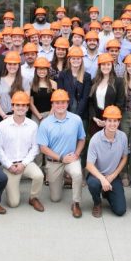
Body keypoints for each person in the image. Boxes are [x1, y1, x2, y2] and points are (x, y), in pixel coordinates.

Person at [38, 89, 87, 218]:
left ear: (68, 103)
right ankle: (64, 179)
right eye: (57, 103)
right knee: (55, 198)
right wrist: (60, 158)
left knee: (77, 174)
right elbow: (43, 148)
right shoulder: (45, 123)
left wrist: (76, 154)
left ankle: (76, 203)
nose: (60, 105)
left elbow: (82, 139)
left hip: (71, 158)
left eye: (63, 102)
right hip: (55, 161)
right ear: (52, 104)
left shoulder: (76, 119)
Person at [0, 91, 45, 211]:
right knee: (13, 203)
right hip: (10, 165)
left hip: (25, 163)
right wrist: (8, 165)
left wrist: (23, 164)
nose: (20, 108)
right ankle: (10, 188)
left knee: (39, 175)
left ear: (28, 107)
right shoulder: (2, 125)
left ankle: (33, 198)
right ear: (12, 107)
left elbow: (35, 148)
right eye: (17, 105)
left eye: (24, 105)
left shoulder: (33, 125)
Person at [86, 106, 129, 218]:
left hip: (112, 176)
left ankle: (107, 193)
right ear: (104, 121)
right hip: (97, 175)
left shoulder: (123, 137)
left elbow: (124, 157)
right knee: (93, 184)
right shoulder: (95, 139)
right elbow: (89, 165)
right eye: (109, 120)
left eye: (115, 121)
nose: (112, 124)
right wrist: (102, 179)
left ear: (119, 122)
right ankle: (97, 203)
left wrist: (113, 175)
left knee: (120, 211)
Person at [88, 53, 125, 137]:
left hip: (112, 120)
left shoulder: (118, 82)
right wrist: (94, 118)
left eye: (108, 64)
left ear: (112, 66)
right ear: (99, 66)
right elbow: (90, 102)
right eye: (103, 64)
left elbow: (120, 103)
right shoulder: (94, 81)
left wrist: (109, 120)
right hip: (97, 121)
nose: (106, 67)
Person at [57, 46, 91, 121]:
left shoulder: (87, 76)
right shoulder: (63, 75)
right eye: (73, 58)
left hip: (81, 114)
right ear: (69, 60)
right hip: (65, 113)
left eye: (78, 59)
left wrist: (77, 115)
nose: (76, 61)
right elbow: (61, 94)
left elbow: (84, 98)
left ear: (81, 60)